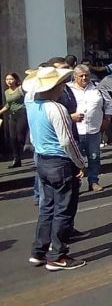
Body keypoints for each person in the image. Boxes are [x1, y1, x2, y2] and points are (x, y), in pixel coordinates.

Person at [23, 66, 87, 270]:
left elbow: (34, 135)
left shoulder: (32, 104)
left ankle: (39, 251)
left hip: (42, 159)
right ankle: (57, 254)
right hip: (60, 162)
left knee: (47, 207)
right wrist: (80, 163)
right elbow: (67, 142)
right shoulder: (56, 108)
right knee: (63, 210)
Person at [68, 65, 112, 191]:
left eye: (86, 75)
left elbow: (109, 102)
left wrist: (107, 118)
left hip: (93, 129)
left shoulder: (98, 87)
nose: (84, 78)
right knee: (75, 159)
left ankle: (93, 181)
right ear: (75, 77)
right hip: (76, 130)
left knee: (94, 157)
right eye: (81, 76)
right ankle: (75, 184)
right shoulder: (68, 89)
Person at [1, 73, 28, 168]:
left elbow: (28, 99)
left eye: (11, 79)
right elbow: (8, 105)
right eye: (7, 79)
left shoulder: (21, 89)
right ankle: (16, 159)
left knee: (20, 137)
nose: (9, 81)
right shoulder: (6, 92)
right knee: (12, 138)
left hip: (22, 113)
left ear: (16, 80)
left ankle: (27, 152)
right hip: (12, 115)